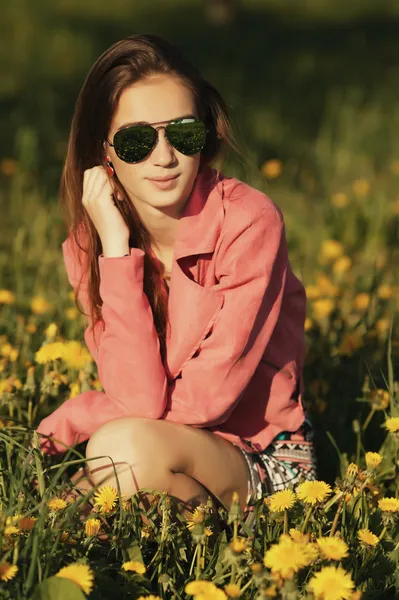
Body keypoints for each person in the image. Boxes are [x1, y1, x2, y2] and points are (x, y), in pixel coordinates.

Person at [36, 33, 317, 532]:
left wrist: (82, 416)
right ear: (106, 153)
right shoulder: (93, 243)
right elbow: (139, 399)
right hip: (154, 443)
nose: (164, 157)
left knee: (115, 454)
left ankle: (234, 543)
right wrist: (117, 252)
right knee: (96, 480)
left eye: (183, 134)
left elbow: (206, 402)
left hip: (261, 462)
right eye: (137, 141)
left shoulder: (249, 223)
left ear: (205, 136)